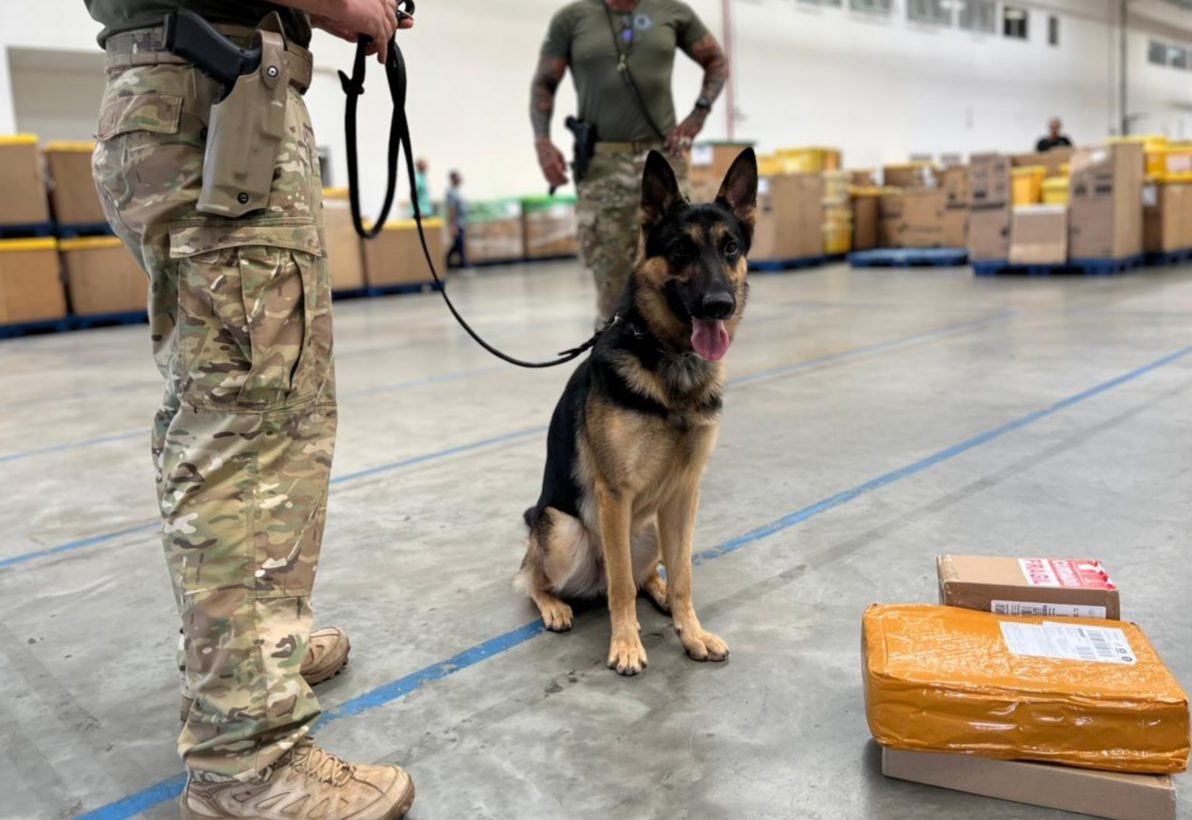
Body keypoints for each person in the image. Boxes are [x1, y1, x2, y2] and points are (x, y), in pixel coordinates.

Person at [83, 1, 417, 817]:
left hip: (203, 95)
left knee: (237, 413)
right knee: (250, 436)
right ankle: (247, 760)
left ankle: (249, 662)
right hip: (218, 96)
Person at [531, 0, 728, 324]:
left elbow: (715, 59)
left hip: (663, 162)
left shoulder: (672, 11)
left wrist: (699, 113)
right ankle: (613, 354)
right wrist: (542, 140)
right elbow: (544, 81)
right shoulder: (573, 18)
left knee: (683, 278)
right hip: (603, 167)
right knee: (613, 290)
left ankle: (683, 353)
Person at [445, 169, 469, 269]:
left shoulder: (458, 191)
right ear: (453, 179)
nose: (460, 179)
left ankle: (446, 261)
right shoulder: (451, 192)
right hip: (457, 222)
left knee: (457, 244)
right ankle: (464, 264)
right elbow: (452, 210)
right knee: (459, 243)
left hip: (462, 221)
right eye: (458, 177)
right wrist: (453, 226)